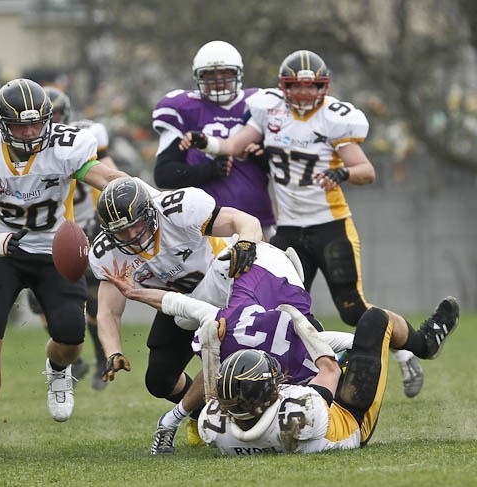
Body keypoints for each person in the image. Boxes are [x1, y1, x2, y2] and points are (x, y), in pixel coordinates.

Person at [180, 49, 425, 398]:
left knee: (352, 308)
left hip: (330, 225)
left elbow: (366, 172)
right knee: (275, 307)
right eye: (296, 86)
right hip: (290, 229)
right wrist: (205, 142)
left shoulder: (335, 118)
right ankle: (294, 376)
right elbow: (234, 144)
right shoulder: (269, 110)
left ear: (324, 87)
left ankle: (404, 351)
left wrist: (342, 171)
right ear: (284, 86)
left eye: (313, 87)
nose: (305, 94)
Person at [0, 78, 127, 460]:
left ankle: (57, 368)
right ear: (2, 125)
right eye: (21, 125)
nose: (31, 132)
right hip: (4, 249)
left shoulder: (66, 147)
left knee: (70, 335)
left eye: (37, 123)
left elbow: (106, 180)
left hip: (57, 249)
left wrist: (143, 194)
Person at [88, 177, 262, 448]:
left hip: (225, 288)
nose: (132, 236)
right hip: (179, 304)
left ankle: (267, 414)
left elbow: (245, 221)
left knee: (240, 361)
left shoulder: (178, 210)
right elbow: (108, 311)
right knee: (159, 381)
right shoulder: (108, 253)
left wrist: (246, 243)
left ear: (149, 212)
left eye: (135, 225)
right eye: (121, 232)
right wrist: (113, 351)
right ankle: (202, 415)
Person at [196, 296, 459, 454]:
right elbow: (329, 368)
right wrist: (301, 324)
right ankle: (425, 343)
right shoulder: (303, 412)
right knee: (375, 321)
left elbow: (213, 398)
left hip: (284, 413)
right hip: (349, 417)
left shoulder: (216, 431)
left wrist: (210, 352)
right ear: (267, 394)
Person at [24, 85, 119, 390]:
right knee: (39, 303)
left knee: (89, 299)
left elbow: (107, 170)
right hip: (47, 231)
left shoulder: (83, 138)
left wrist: (109, 213)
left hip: (85, 226)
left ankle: (100, 358)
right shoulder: (26, 143)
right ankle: (73, 358)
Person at [152, 40, 275, 240]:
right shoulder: (184, 108)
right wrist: (209, 171)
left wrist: (261, 157)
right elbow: (164, 175)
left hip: (258, 219)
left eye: (225, 73)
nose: (218, 80)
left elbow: (285, 169)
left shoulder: (258, 104)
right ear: (198, 77)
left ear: (238, 74)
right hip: (207, 226)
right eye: (210, 74)